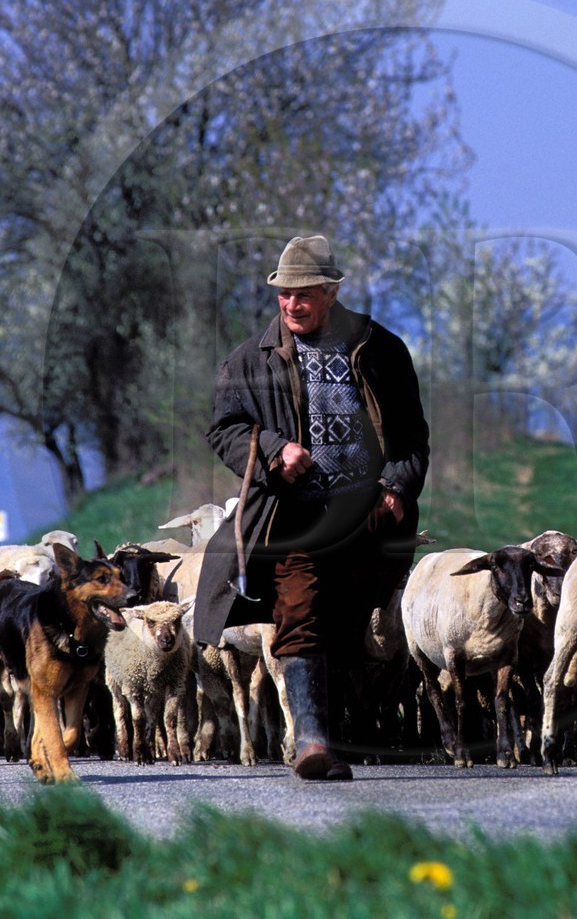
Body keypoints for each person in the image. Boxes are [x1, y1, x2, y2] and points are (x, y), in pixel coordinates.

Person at [194, 234, 429, 781]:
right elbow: (223, 429)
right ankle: (312, 741)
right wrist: (274, 450)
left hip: (366, 511)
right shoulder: (248, 360)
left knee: (349, 624)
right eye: (283, 295)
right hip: (291, 514)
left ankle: (344, 733)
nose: (292, 304)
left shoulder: (380, 348)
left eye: (303, 294)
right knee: (298, 613)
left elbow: (412, 434)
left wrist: (397, 486)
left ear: (331, 291)